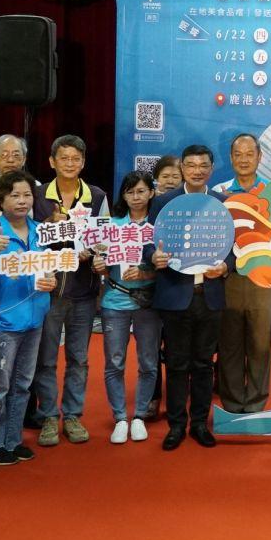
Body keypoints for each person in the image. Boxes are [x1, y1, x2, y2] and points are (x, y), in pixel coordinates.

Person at [0, 171, 54, 467]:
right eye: (15, 195)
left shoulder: (40, 231)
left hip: (35, 318)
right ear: (1, 200)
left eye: (27, 195)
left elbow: (49, 267)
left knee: (22, 385)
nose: (22, 201)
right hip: (2, 322)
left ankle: (12, 440)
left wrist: (51, 281)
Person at [32, 134, 107, 448]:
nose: (70, 163)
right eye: (64, 158)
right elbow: (29, 240)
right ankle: (49, 415)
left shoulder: (96, 195)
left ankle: (73, 415)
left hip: (83, 290)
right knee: (46, 359)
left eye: (76, 158)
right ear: (52, 161)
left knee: (78, 358)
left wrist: (97, 252)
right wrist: (50, 223)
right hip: (48, 292)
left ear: (83, 162)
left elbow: (105, 238)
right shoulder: (37, 195)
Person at [146, 221, 231, 449]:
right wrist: (153, 256)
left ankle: (199, 424)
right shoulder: (166, 206)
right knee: (176, 364)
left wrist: (226, 266)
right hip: (175, 297)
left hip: (209, 297)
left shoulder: (219, 208)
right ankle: (176, 425)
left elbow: (233, 247)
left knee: (204, 364)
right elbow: (146, 241)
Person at [96, 171, 161, 444]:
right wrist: (99, 265)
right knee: (114, 362)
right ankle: (120, 417)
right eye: (130, 192)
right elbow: (101, 264)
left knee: (148, 362)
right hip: (115, 301)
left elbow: (168, 266)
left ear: (151, 193)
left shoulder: (158, 226)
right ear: (123, 195)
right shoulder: (112, 225)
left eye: (141, 191)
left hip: (148, 303)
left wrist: (145, 273)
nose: (136, 197)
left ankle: (139, 416)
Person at [214, 133, 271, 414]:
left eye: (249, 154)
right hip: (228, 276)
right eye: (238, 154)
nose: (243, 159)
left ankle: (255, 402)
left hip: (262, 276)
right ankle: (231, 401)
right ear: (230, 158)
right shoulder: (220, 192)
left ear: (259, 157)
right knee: (230, 343)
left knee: (260, 342)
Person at [149, 144, 217, 218]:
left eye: (203, 166)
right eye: (191, 166)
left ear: (212, 168)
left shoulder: (222, 201)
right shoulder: (161, 202)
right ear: (182, 167)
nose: (197, 172)